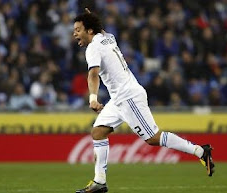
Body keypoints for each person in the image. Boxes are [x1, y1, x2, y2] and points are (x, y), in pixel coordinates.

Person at [73, 9, 215, 193]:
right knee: (98, 132)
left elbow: (93, 74)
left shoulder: (93, 48)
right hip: (119, 98)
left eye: (78, 29)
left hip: (128, 96)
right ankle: (100, 182)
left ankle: (200, 151)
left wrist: (92, 98)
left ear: (89, 31)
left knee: (153, 139)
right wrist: (92, 20)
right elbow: (100, 31)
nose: (75, 34)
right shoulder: (108, 37)